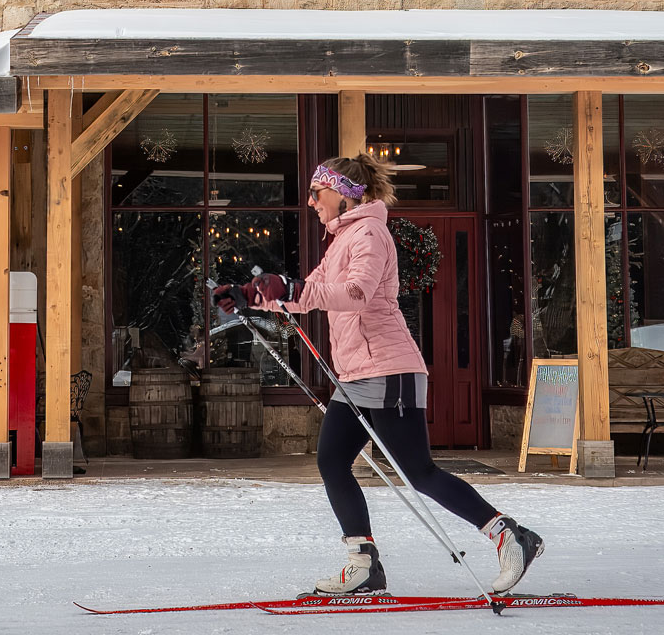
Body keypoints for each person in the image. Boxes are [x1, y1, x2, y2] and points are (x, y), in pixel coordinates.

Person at [213, 153, 543, 597]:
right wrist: (252, 294)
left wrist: (290, 288)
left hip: (390, 369)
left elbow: (355, 293)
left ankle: (510, 535)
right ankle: (364, 564)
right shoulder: (343, 239)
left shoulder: (370, 232)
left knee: (419, 472)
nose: (311, 201)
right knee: (331, 462)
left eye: (317, 192)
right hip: (353, 376)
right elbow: (309, 295)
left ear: (344, 193)